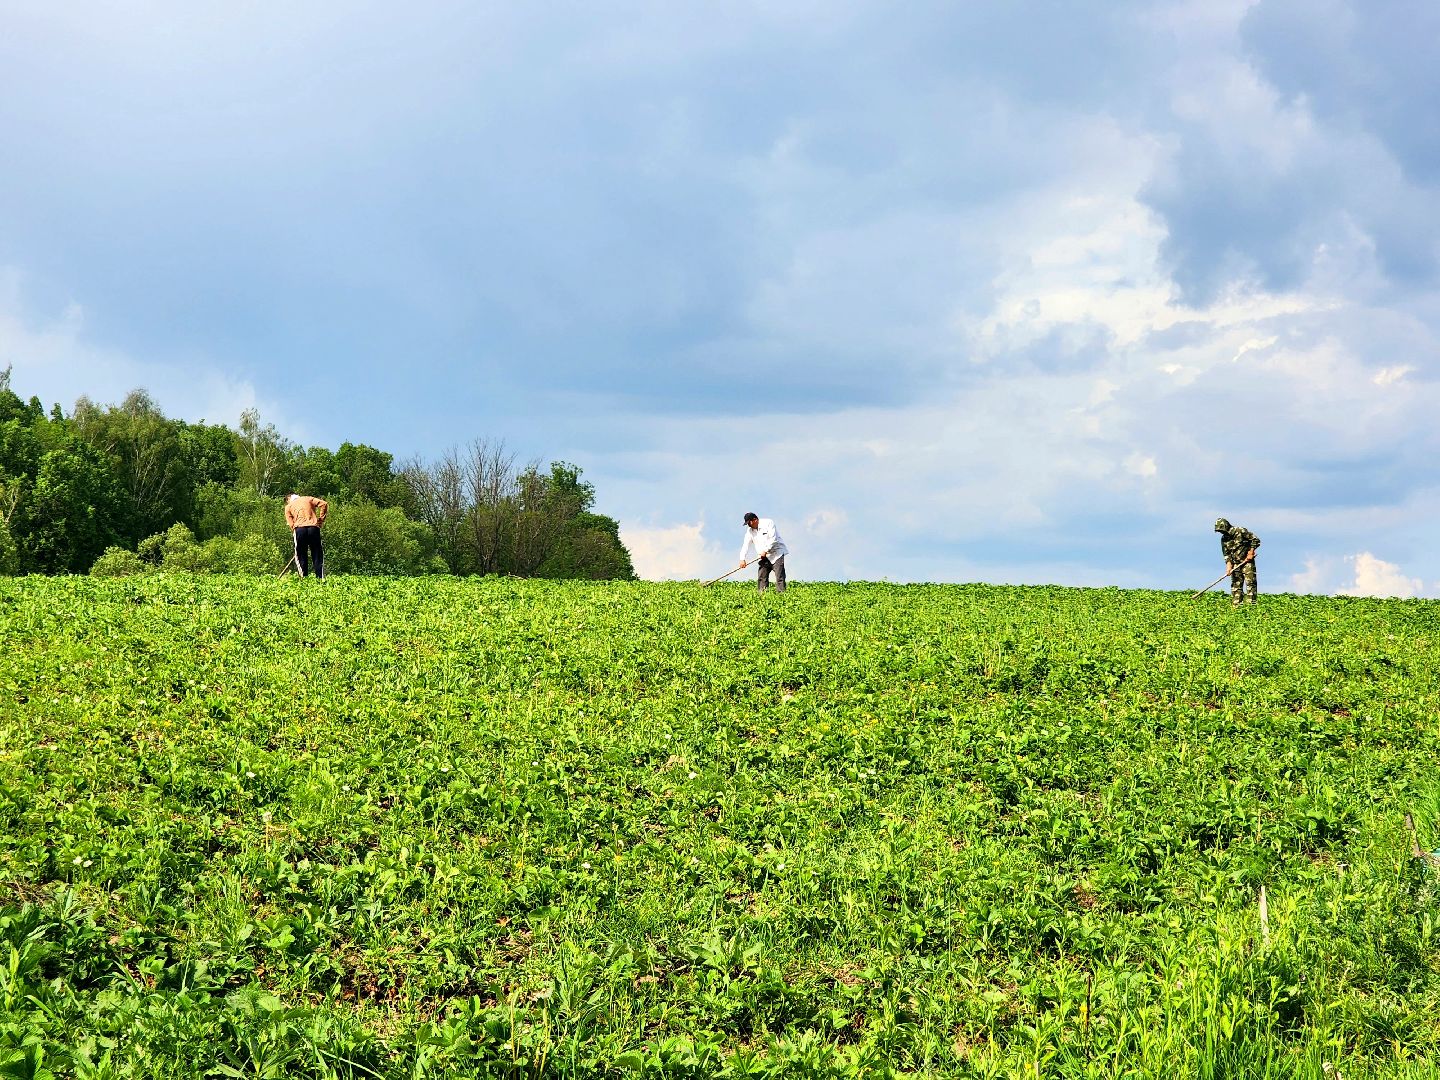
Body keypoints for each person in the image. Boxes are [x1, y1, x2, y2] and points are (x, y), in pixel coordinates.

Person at [738, 512, 788, 593]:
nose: (749, 525)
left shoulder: (768, 523)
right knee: (762, 577)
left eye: (749, 523)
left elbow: (773, 539)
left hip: (776, 553)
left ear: (755, 520)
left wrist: (765, 550)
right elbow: (745, 545)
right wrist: (742, 559)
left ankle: (782, 595)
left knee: (779, 577)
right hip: (763, 557)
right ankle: (762, 596)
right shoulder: (750, 531)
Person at [1214, 517, 1259, 606]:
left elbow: (1255, 540)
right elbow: (1226, 554)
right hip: (1235, 564)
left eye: (1221, 530)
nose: (1221, 533)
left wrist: (1251, 552)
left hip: (1247, 562)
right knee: (1236, 585)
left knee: (1250, 583)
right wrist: (1229, 567)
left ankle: (1251, 606)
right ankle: (1237, 606)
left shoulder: (1240, 531)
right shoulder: (1224, 539)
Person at [285, 493, 329, 579]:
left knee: (301, 555)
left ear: (288, 499)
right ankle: (320, 578)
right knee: (317, 553)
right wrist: (321, 519)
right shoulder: (308, 499)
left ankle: (304, 578)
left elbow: (290, 523)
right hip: (313, 528)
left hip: (299, 529)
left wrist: (294, 528)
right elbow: (324, 504)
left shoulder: (289, 506)